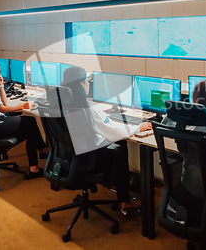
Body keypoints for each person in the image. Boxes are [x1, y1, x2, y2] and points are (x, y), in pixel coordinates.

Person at [60, 66, 152, 215]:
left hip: (67, 158)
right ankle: (124, 201)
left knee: (110, 143)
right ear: (83, 85)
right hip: (87, 161)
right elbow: (114, 131)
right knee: (121, 145)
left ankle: (119, 183)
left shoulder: (61, 104)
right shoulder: (88, 108)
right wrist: (138, 127)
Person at [0, 60, 48, 178]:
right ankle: (42, 152)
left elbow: (4, 102)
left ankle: (37, 162)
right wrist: (22, 106)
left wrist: (1, 85)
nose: (0, 74)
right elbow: (2, 108)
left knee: (29, 127)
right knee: (30, 122)